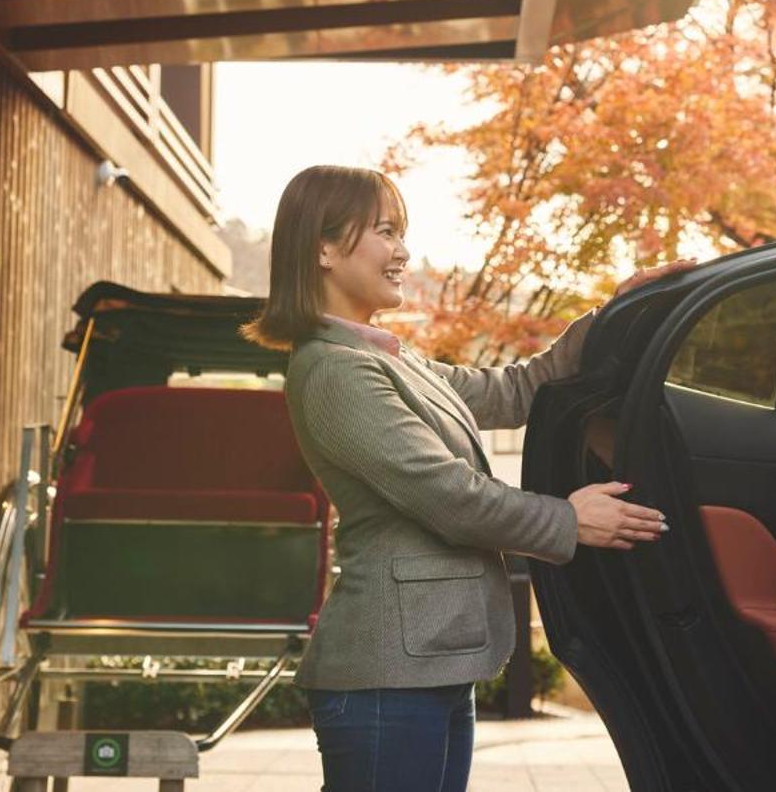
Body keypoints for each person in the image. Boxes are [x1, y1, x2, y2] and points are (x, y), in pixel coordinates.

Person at [248, 164, 690, 792]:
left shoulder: (387, 357)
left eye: (402, 233)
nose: (402, 251)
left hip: (423, 668)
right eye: (385, 232)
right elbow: (447, 495)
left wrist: (612, 313)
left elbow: (514, 391)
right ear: (322, 246)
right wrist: (567, 519)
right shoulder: (334, 370)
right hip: (385, 676)